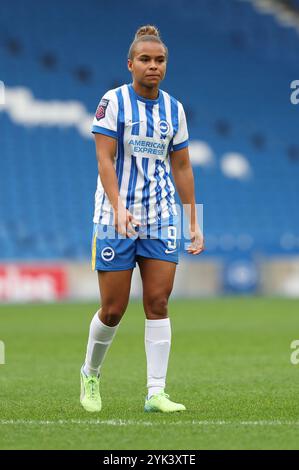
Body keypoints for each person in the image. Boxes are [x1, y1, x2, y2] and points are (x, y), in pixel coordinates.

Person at [80, 24, 204, 413]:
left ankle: (156, 392)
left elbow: (182, 167)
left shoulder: (174, 109)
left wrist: (192, 221)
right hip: (115, 215)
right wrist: (117, 206)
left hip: (161, 216)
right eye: (146, 60)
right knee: (114, 309)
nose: (154, 66)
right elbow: (105, 158)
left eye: (160, 60)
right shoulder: (112, 102)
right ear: (130, 63)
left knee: (158, 301)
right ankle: (90, 373)